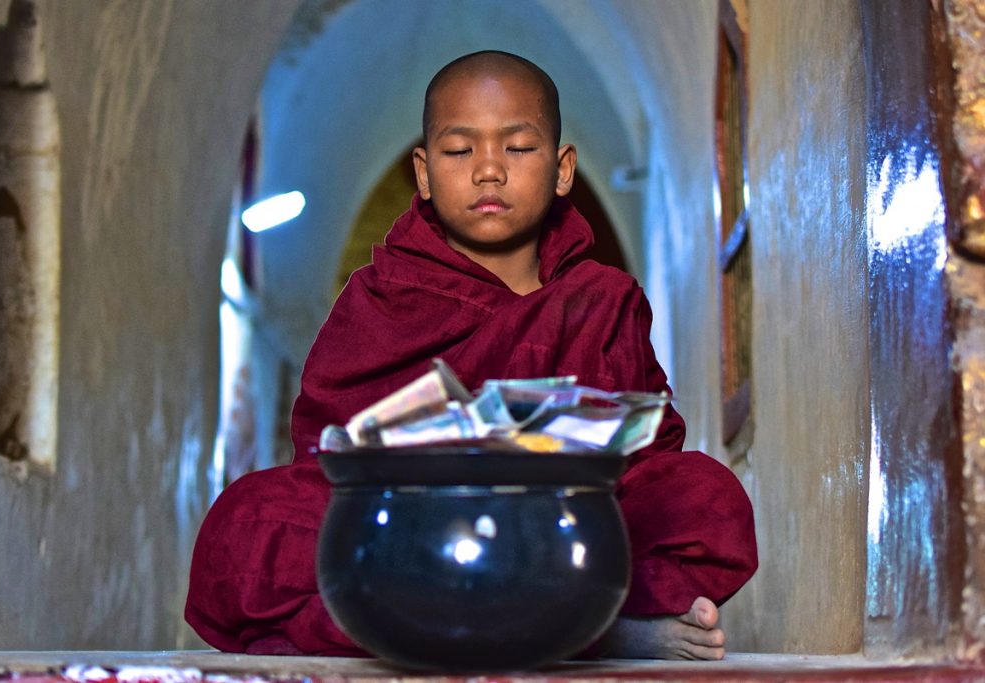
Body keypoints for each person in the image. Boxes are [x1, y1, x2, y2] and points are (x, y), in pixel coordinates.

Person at [185, 50, 758, 661]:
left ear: (563, 169)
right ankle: (592, 631)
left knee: (705, 499)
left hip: (559, 524)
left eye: (518, 148)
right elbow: (327, 452)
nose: (489, 170)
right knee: (247, 524)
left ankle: (453, 628)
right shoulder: (380, 294)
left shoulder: (599, 298)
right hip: (411, 527)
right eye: (460, 151)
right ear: (425, 172)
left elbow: (649, 451)